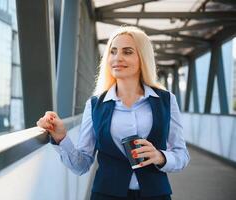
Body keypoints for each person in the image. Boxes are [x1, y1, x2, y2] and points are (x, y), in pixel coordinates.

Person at [36, 26, 190, 200]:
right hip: (106, 195)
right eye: (113, 51)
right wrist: (61, 138)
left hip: (156, 195)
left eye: (127, 52)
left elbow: (181, 155)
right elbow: (81, 165)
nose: (117, 58)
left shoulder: (166, 100)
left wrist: (160, 157)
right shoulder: (95, 105)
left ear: (143, 57)